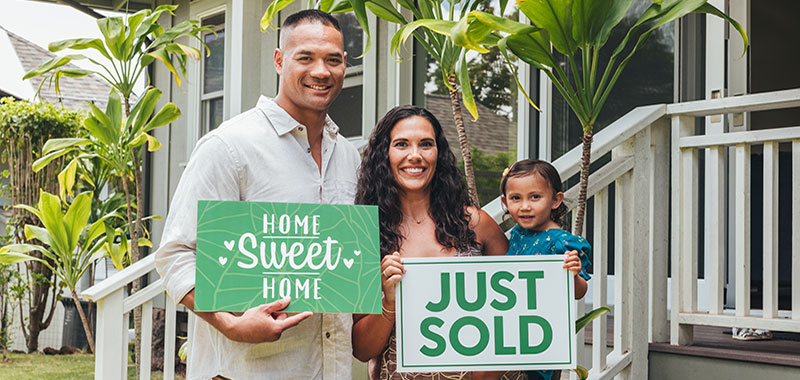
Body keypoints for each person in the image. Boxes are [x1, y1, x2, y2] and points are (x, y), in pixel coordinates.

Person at [154, 10, 360, 380]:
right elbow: (176, 256)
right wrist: (229, 324)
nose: (321, 71)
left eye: (332, 60)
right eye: (306, 57)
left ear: (344, 64)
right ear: (280, 61)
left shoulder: (348, 156)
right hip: (248, 370)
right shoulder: (230, 146)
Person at [351, 105, 525, 380]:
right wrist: (389, 304)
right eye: (401, 144)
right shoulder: (367, 236)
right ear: (385, 154)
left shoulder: (474, 223)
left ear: (438, 153)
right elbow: (362, 349)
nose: (415, 155)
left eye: (426, 144)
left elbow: (521, 303)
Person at [500, 159, 592, 380]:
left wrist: (573, 275)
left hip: (542, 334)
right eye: (515, 198)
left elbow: (579, 291)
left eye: (535, 197)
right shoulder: (514, 235)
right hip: (511, 330)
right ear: (505, 202)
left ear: (555, 200)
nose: (524, 206)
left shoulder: (564, 243)